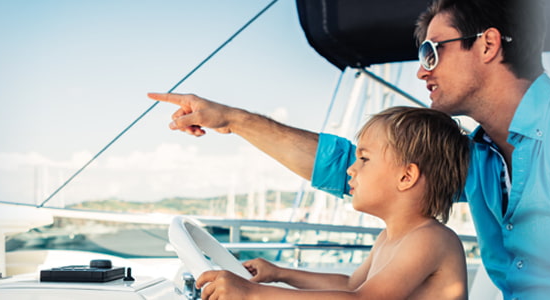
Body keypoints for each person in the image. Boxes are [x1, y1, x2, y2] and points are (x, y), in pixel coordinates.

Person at [151, 0, 550, 298]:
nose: (421, 70)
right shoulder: (478, 157)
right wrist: (233, 120)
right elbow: (350, 168)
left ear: (486, 45)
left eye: (431, 52)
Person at [193, 107, 472, 300]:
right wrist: (279, 273)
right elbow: (350, 285)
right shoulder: (391, 237)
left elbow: (363, 299)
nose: (351, 169)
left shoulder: (430, 239)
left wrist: (251, 294)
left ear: (406, 176)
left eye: (363, 158)